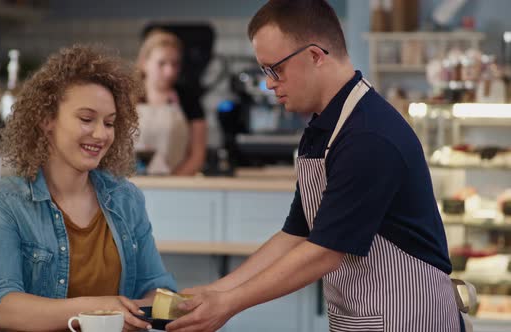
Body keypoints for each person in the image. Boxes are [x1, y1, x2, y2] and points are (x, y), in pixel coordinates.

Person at [166, 1, 467, 332]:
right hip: (367, 315)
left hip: (410, 317)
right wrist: (217, 291)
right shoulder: (324, 128)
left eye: (274, 69)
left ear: (314, 56)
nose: (268, 83)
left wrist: (230, 303)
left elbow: (326, 251)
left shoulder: (368, 134)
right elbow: (296, 233)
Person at [0, 44, 176, 332]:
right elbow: (1, 306)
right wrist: (96, 310)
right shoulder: (6, 202)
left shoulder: (125, 198)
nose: (101, 134)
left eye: (109, 123)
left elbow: (158, 289)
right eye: (86, 119)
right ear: (47, 120)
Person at [135, 29, 207, 175]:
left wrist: (173, 182)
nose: (170, 71)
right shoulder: (126, 98)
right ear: (144, 63)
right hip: (131, 183)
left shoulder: (189, 99)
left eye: (175, 64)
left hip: (176, 185)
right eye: (161, 63)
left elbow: (197, 155)